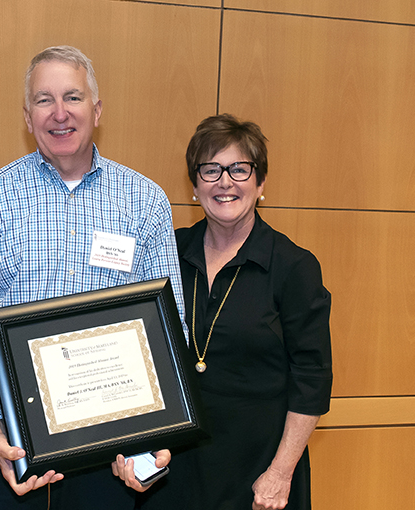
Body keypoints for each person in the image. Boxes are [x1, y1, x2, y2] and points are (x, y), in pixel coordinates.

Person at [0, 46, 188, 509]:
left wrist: (157, 434)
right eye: (43, 100)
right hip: (2, 451)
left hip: (109, 455)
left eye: (72, 97)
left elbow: (170, 330)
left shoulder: (145, 201)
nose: (59, 113)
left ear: (96, 109)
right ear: (28, 117)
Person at [140, 114, 332, 510]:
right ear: (194, 186)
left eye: (239, 169)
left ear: (260, 183)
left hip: (259, 472)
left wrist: (280, 473)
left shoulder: (293, 266)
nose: (225, 182)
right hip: (172, 471)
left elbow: (312, 380)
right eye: (210, 170)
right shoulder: (167, 253)